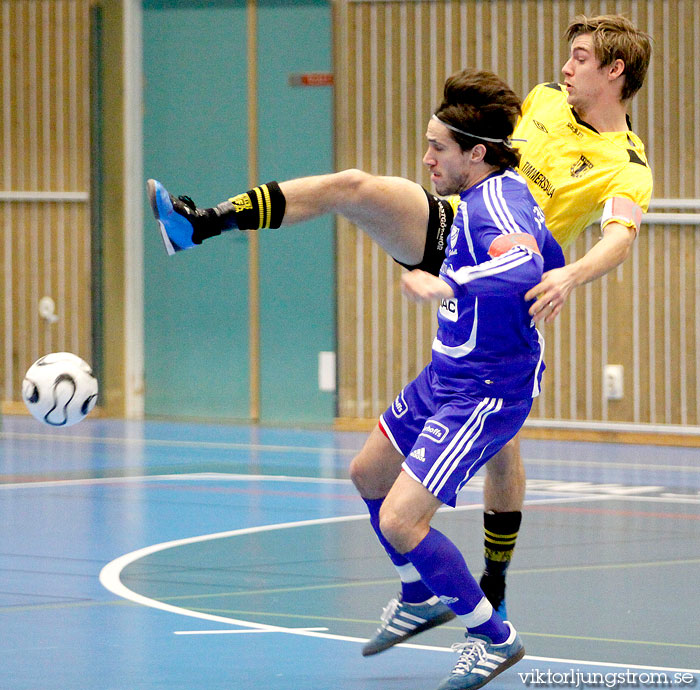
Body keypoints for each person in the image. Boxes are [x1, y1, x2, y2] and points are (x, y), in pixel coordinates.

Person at [147, 12, 653, 647]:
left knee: (503, 441)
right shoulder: (546, 102)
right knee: (352, 186)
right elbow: (489, 145)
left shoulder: (626, 165)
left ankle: (490, 592)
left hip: (505, 282)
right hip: (455, 229)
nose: (564, 67)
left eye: (580, 58)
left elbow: (619, 240)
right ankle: (201, 224)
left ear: (616, 72)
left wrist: (569, 275)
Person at [358, 68, 563, 688]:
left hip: (485, 390)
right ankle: (419, 596)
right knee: (367, 472)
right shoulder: (473, 200)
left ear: (477, 153)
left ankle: (492, 638)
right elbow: (543, 253)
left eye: (437, 148)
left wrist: (451, 283)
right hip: (445, 374)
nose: (425, 160)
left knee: (400, 520)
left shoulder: (497, 202)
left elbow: (527, 261)